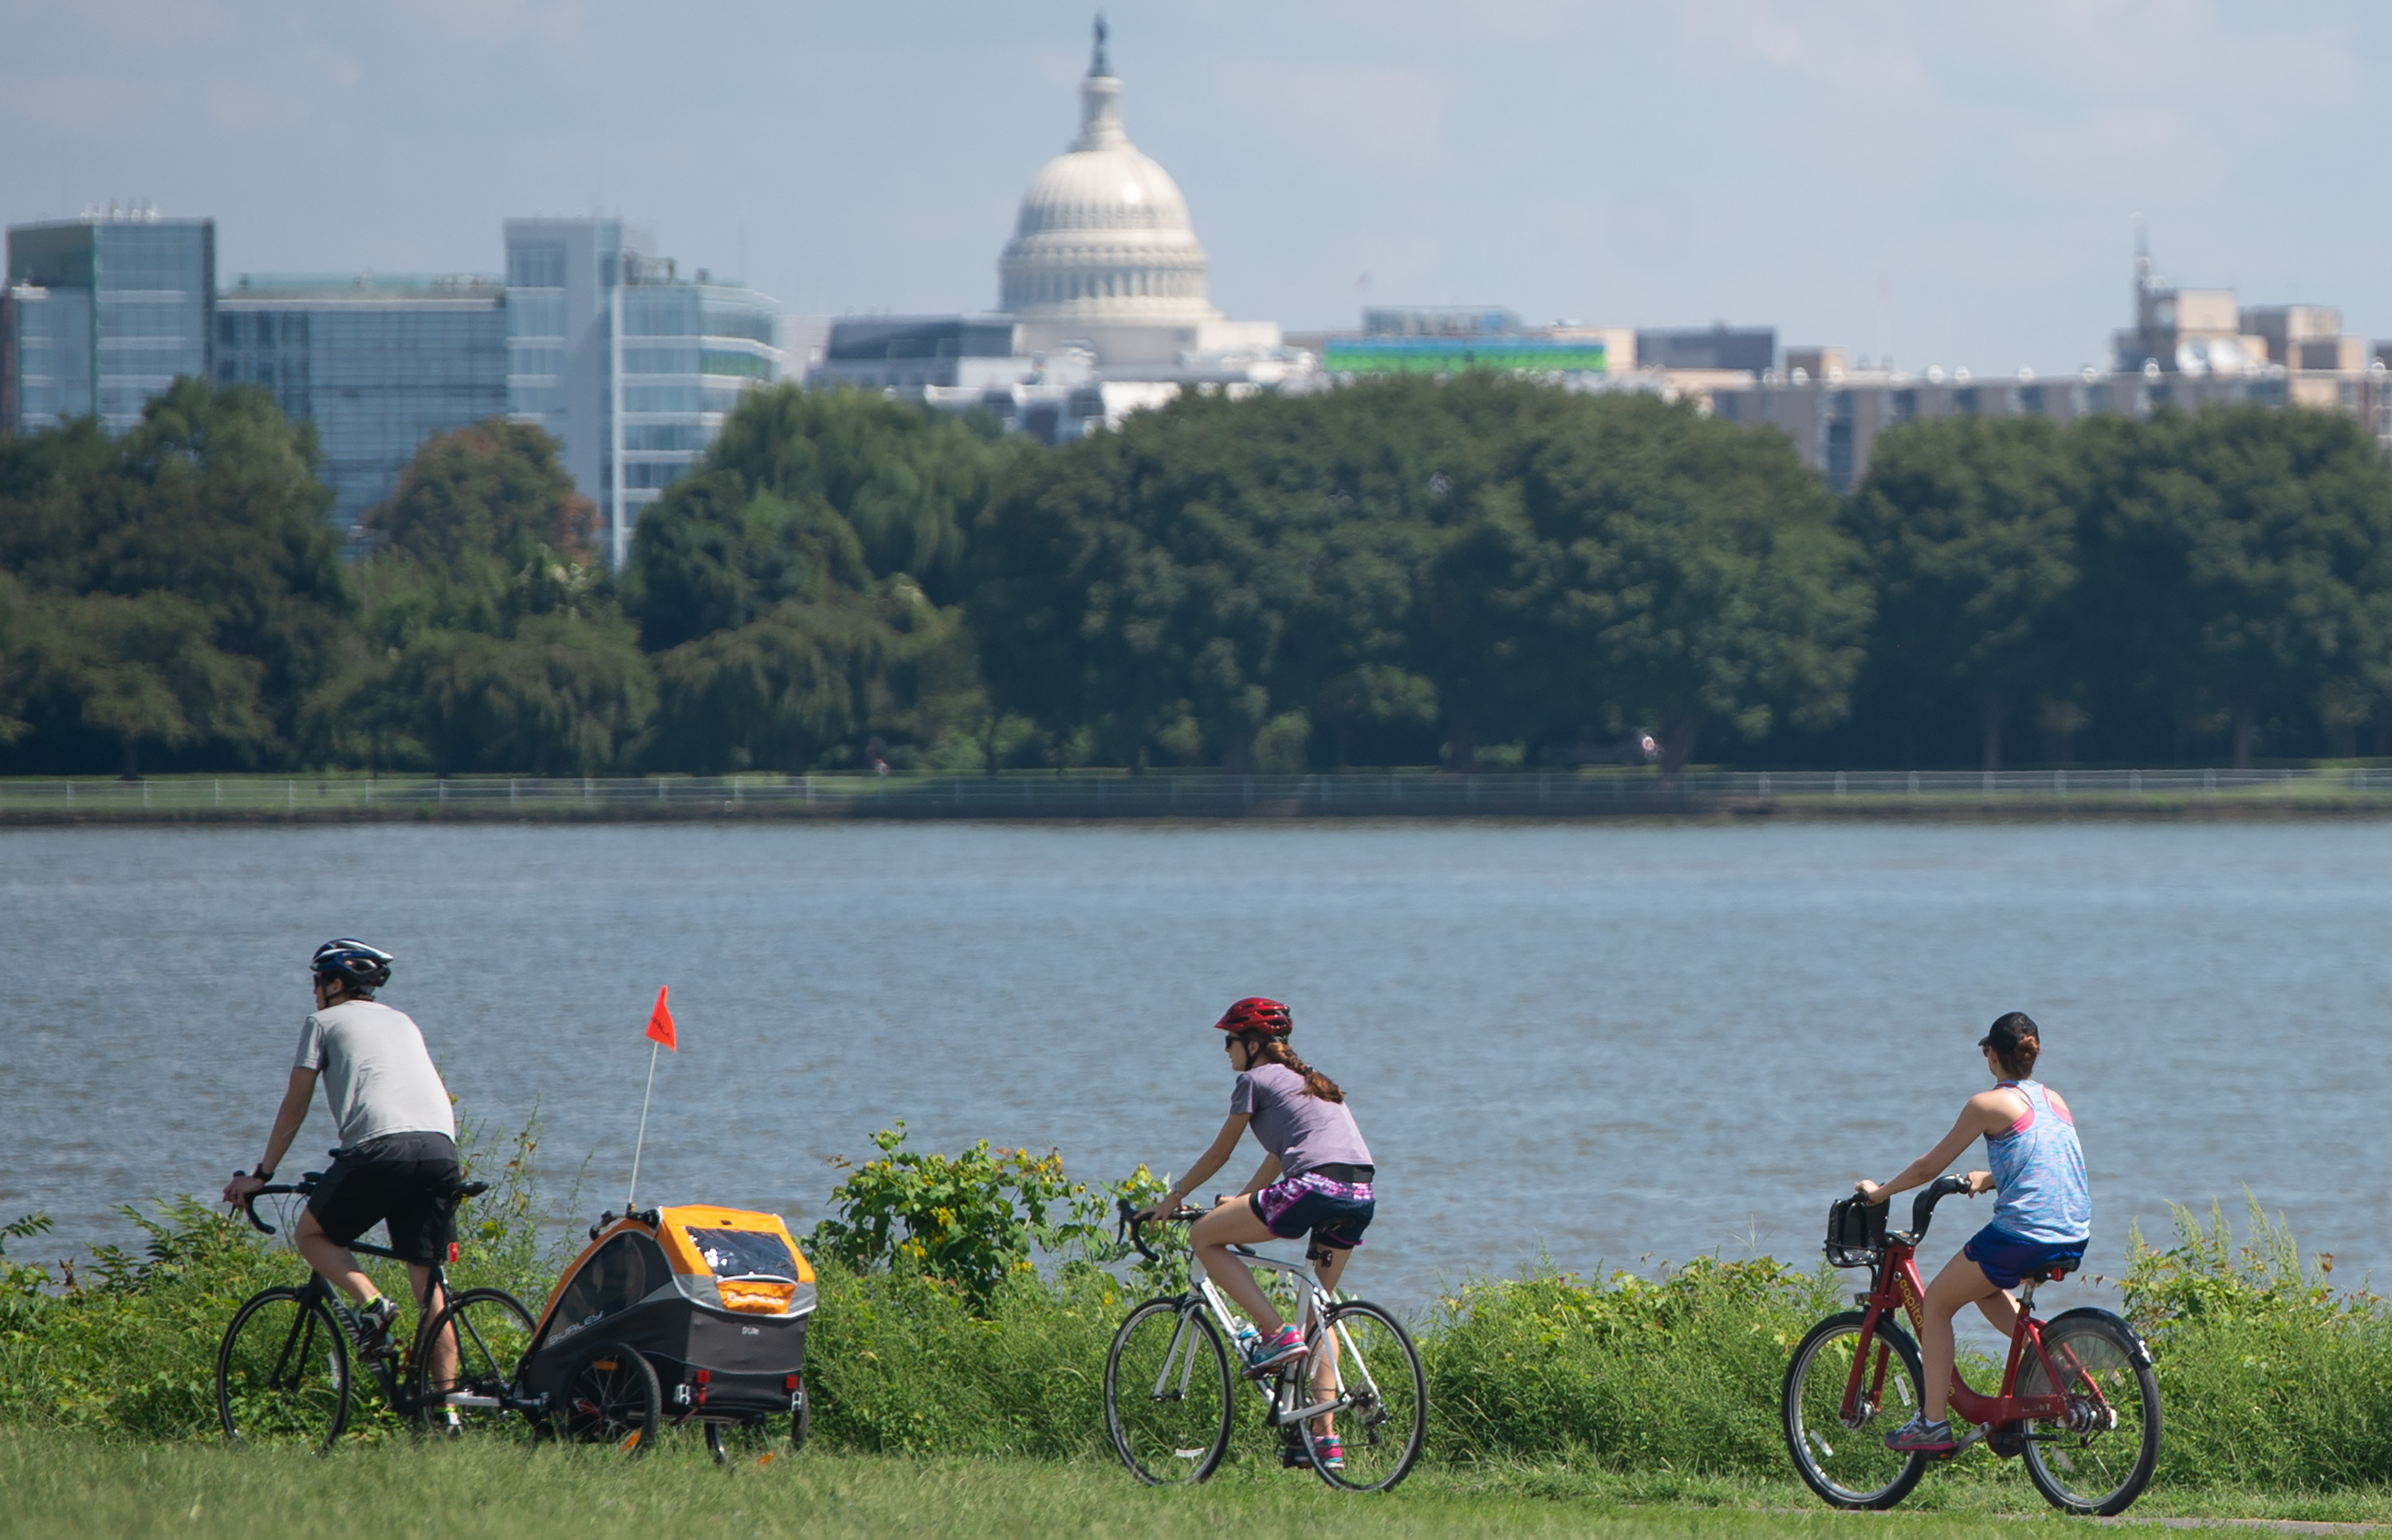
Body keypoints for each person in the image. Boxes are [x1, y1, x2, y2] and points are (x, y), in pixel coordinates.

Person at [1136, 997, 1376, 1471]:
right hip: (1359, 1193)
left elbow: (1217, 1154)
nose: (1224, 1050)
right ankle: (1324, 1440)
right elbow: (1281, 1156)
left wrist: (1173, 1197)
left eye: (1229, 1040)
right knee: (1318, 1318)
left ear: (1252, 1044)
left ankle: (1273, 1332)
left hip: (1311, 1187)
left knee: (1202, 1237)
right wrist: (1241, 1200)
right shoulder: (1310, 1083)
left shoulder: (1253, 1080)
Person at [220, 940, 465, 1394]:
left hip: (381, 1149)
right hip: (440, 1150)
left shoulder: (322, 1022)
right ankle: (448, 1411)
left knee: (311, 1234)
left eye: (316, 984)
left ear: (334, 984)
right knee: (430, 1288)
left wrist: (262, 1175)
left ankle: (372, 1304)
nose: (313, 994)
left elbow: (295, 1106)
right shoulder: (403, 1021)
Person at [1856, 1011, 2091, 1454]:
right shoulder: (2054, 1100)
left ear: (1992, 1055)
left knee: (1940, 1303)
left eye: (1986, 1048)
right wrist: (1991, 1177)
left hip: (2025, 1234)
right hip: (2074, 1229)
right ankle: (2057, 1358)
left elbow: (1929, 1166)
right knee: (1984, 1285)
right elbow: (2047, 1165)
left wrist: (1879, 1193)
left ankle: (1932, 1423)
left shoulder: (1986, 1104)